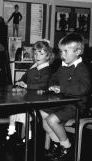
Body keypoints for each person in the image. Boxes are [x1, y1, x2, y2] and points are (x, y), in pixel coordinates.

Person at [40, 33, 91, 161]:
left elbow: (84, 88)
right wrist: (53, 85)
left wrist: (62, 89)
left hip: (76, 105)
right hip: (63, 102)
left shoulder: (82, 69)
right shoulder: (63, 67)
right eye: (61, 51)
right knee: (42, 113)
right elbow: (53, 78)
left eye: (65, 52)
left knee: (51, 120)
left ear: (77, 52)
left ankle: (66, 146)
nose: (62, 55)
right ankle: (58, 143)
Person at [6, 40, 54, 140]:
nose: (37, 56)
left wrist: (27, 86)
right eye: (35, 53)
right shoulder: (32, 68)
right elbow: (23, 78)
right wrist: (19, 83)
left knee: (24, 109)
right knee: (13, 105)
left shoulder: (47, 70)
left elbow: (43, 85)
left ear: (48, 56)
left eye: (41, 54)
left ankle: (27, 134)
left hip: (40, 98)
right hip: (29, 97)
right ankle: (13, 129)